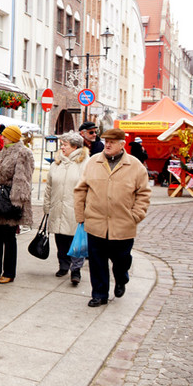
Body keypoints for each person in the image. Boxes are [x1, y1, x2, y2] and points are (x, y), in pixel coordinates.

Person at [74, 128, 151, 307]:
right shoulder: (94, 161)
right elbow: (81, 190)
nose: (107, 144)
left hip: (123, 225)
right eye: (106, 141)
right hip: (96, 223)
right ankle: (99, 294)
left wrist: (136, 215)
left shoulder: (135, 165)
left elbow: (144, 193)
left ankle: (121, 278)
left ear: (122, 144)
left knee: (121, 260)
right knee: (97, 261)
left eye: (112, 142)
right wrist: (81, 215)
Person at [0, 125, 34, 284]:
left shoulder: (23, 152)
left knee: (9, 237)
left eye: (6, 135)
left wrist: (16, 201)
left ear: (13, 137)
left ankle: (9, 272)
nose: (3, 137)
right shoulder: (4, 151)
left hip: (10, 201)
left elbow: (22, 179)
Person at [43, 131, 88, 285]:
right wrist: (47, 206)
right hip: (57, 206)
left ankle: (76, 270)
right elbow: (49, 186)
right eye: (61, 144)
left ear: (75, 146)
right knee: (60, 238)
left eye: (65, 145)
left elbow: (89, 187)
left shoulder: (85, 163)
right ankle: (63, 265)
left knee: (76, 240)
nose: (61, 147)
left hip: (75, 208)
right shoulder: (57, 164)